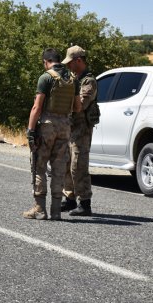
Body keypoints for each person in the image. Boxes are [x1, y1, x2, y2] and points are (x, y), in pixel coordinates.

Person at [23, 48, 81, 221]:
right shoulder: (72, 79)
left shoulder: (46, 77)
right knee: (59, 169)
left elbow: (37, 107)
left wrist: (31, 131)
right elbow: (78, 107)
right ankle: (56, 211)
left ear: (45, 61)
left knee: (39, 166)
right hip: (65, 127)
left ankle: (39, 209)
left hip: (47, 126)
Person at [60, 45, 98, 216]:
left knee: (78, 166)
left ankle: (84, 203)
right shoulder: (73, 78)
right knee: (67, 163)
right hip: (70, 127)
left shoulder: (88, 81)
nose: (68, 66)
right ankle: (69, 199)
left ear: (79, 61)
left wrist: (65, 100)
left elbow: (80, 105)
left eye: (71, 62)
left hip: (82, 129)